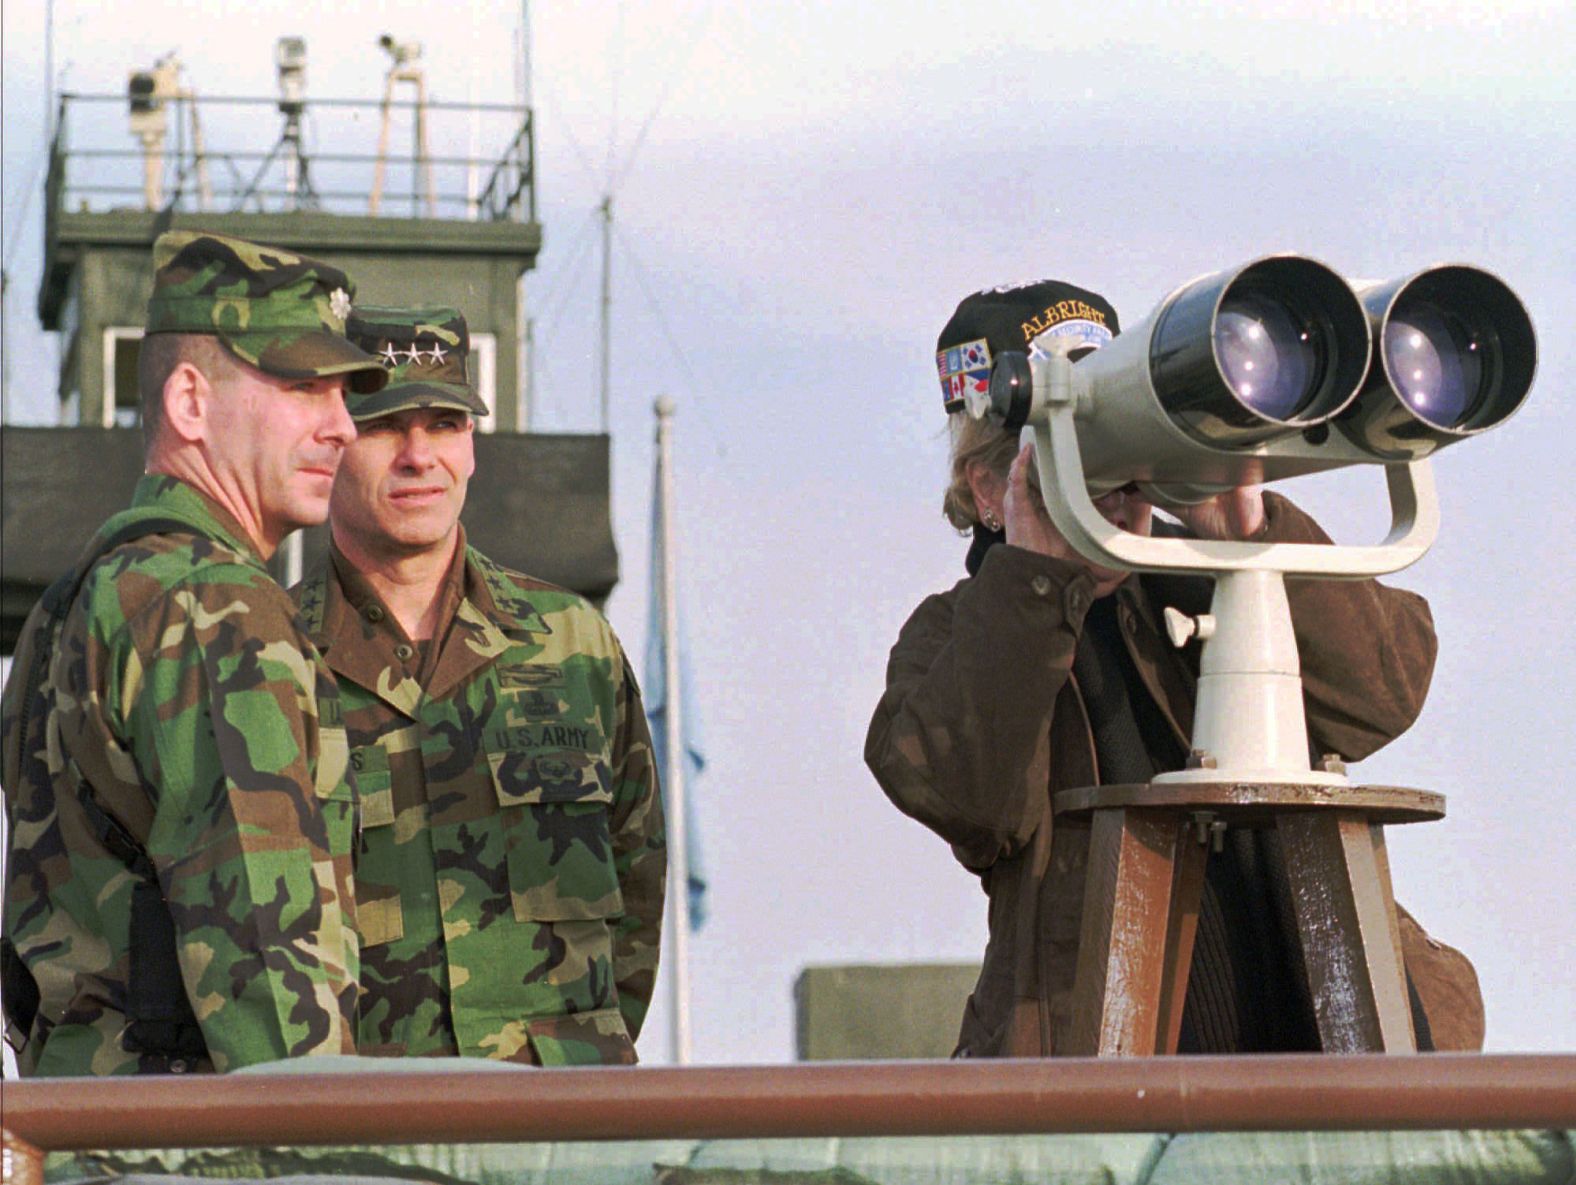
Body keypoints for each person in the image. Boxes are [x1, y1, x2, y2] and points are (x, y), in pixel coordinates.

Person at [865, 279, 1485, 1056]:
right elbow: (969, 799)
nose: (1116, 494)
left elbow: (1382, 694)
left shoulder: (1205, 571)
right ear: (988, 487)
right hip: (1110, 1086)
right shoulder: (956, 635)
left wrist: (1249, 539)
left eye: (1124, 456)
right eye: (1073, 459)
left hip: (1315, 1048)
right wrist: (1035, 582)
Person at [1, 230, 389, 1076]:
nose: (343, 426)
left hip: (80, 1134)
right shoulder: (215, 606)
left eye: (345, 394)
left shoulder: (70, 601)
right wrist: (328, 1153)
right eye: (303, 386)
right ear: (189, 402)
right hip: (198, 1150)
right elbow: (270, 968)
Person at [291, 305, 665, 1065]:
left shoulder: (572, 645)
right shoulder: (270, 656)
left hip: (552, 1125)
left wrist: (569, 1057)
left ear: (472, 446)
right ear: (331, 443)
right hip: (363, 1128)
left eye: (446, 424)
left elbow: (638, 882)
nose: (419, 456)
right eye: (386, 425)